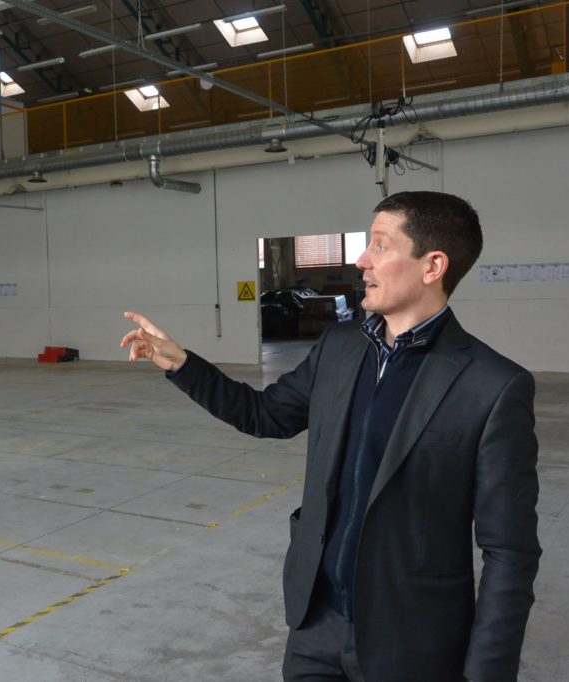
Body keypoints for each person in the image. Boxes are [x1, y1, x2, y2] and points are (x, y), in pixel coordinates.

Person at [120, 191, 540, 682]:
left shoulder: (491, 385)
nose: (362, 260)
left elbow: (509, 551)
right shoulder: (340, 347)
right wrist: (182, 365)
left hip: (411, 638)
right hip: (316, 623)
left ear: (433, 266)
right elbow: (265, 414)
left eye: (380, 246)